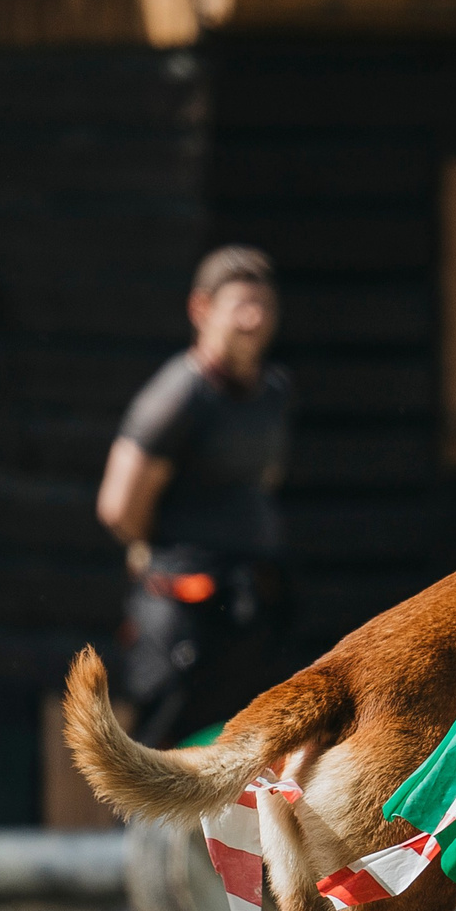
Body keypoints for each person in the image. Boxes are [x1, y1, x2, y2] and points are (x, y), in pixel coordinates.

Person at [94, 246, 294, 749]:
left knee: (245, 746)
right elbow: (119, 507)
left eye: (264, 305)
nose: (255, 318)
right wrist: (169, 559)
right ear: (201, 310)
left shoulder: (273, 391)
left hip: (247, 602)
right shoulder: (176, 397)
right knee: (166, 750)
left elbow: (265, 478)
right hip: (185, 608)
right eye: (240, 305)